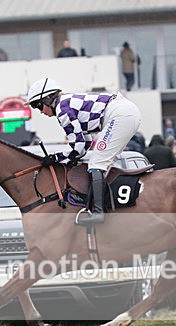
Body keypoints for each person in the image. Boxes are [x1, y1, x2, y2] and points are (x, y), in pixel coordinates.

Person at [26, 77, 141, 225]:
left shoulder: (62, 110)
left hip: (120, 115)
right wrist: (64, 157)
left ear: (48, 98)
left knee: (97, 163)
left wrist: (56, 157)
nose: (40, 112)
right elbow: (84, 144)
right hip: (124, 112)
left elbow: (78, 146)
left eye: (38, 105)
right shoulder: (66, 104)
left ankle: (99, 212)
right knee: (101, 161)